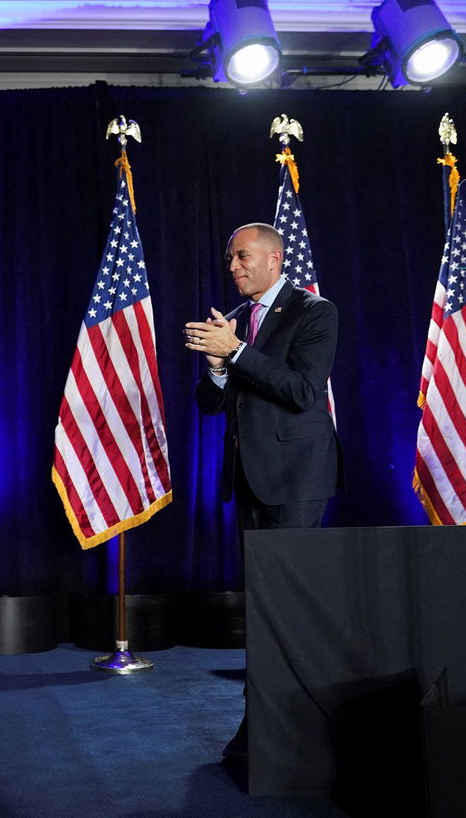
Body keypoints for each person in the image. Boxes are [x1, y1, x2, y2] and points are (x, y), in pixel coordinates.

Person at [183, 222, 342, 760]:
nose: (233, 267)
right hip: (249, 476)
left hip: (298, 477)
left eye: (243, 257)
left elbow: (301, 391)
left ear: (275, 259)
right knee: (260, 606)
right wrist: (218, 368)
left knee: (289, 605)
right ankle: (262, 725)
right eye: (230, 259)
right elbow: (210, 404)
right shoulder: (232, 322)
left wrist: (236, 354)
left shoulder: (314, 311)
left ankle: (296, 731)